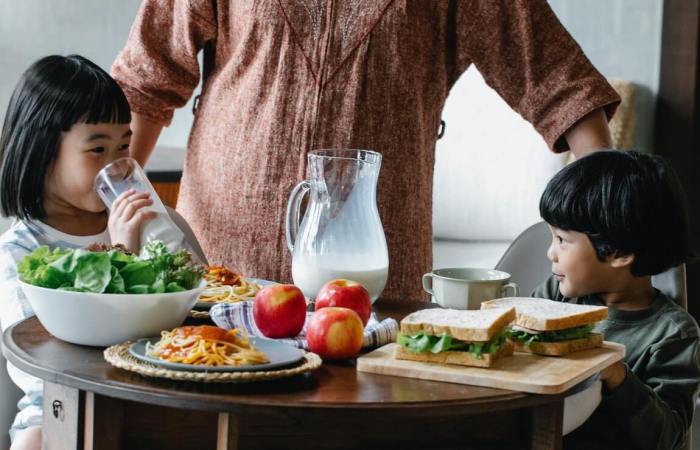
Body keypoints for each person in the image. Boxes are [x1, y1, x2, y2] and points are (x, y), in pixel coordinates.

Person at [112, 0, 621, 302]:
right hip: (216, 272)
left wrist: (611, 218)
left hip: (377, 286)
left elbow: (558, 81)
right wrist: (109, 219)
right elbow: (145, 80)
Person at [0, 55, 158, 450]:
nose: (115, 165)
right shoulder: (20, 251)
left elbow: (192, 304)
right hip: (59, 404)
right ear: (43, 150)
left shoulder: (141, 223)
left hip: (151, 396)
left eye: (123, 146)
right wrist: (121, 254)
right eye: (97, 149)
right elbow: (48, 360)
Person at [532, 150, 699, 450]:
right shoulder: (556, 297)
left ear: (620, 253)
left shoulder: (671, 334)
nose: (550, 253)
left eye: (562, 240)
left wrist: (615, 372)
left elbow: (669, 437)